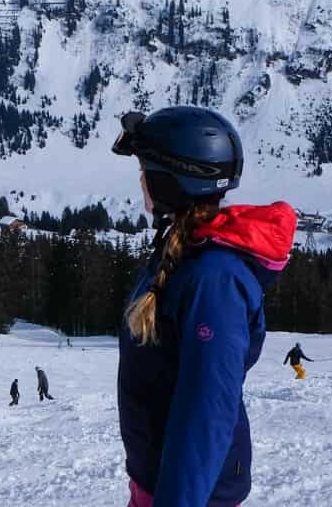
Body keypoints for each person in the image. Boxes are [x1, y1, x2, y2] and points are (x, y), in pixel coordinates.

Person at [112, 106, 296, 507]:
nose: (141, 180)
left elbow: (206, 409)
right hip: (157, 484)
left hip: (195, 494)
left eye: (145, 171)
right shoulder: (183, 255)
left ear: (169, 183)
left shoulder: (214, 281)